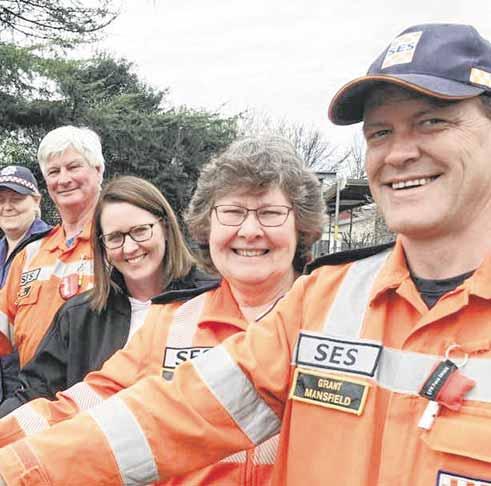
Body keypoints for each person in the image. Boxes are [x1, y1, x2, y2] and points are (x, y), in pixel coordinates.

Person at [3, 22, 490, 486]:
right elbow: (161, 415)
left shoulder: (316, 298)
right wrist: (15, 468)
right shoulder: (326, 301)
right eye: (380, 133)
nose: (400, 153)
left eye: (432, 122)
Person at [0, 136, 325, 485]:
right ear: (208, 226)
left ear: (301, 225)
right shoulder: (171, 320)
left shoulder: (336, 318)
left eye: (270, 213)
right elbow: (81, 407)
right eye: (232, 213)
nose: (249, 231)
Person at [0, 175, 212, 417]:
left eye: (140, 231)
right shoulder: (79, 316)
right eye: (115, 238)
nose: (130, 247)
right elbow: (34, 393)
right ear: (103, 246)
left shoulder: (214, 299)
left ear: (164, 227)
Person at [0, 126, 103, 365]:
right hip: (32, 386)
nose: (63, 179)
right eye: (54, 171)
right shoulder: (30, 253)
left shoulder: (119, 243)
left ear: (98, 170)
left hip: (96, 387)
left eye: (73, 167)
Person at [0, 166, 51, 288]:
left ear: (36, 201)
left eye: (16, 199)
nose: (7, 207)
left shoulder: (55, 244)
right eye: (0, 200)